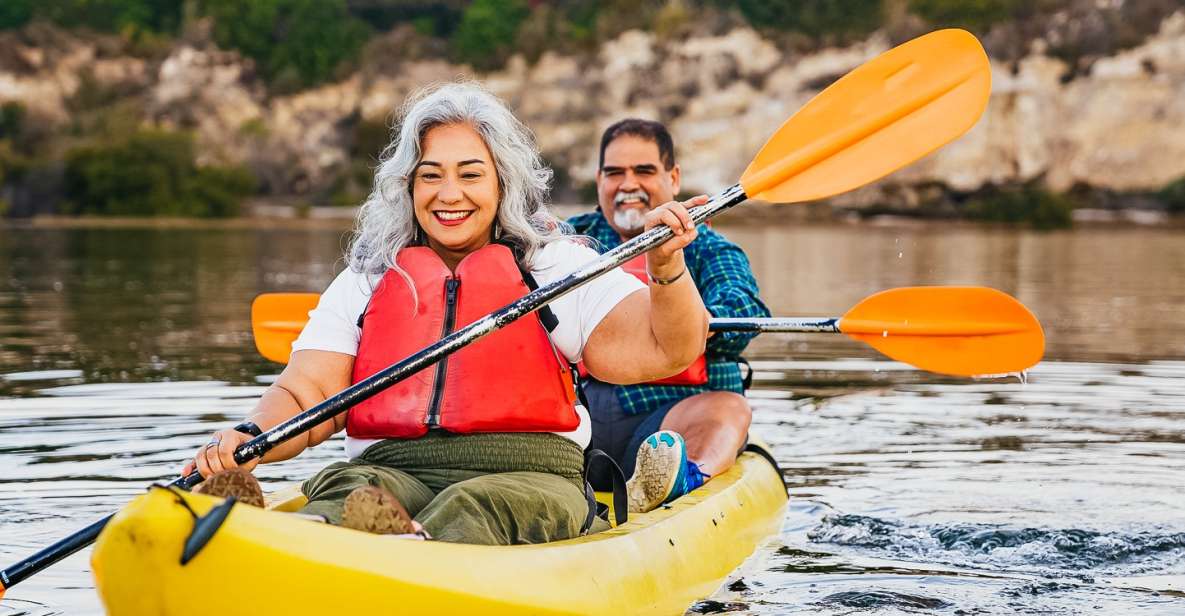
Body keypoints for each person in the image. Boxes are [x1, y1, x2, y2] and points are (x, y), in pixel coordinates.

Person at [184, 83, 710, 545]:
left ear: (503, 182)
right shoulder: (369, 277)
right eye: (430, 176)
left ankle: (407, 550)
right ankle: (300, 539)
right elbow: (307, 393)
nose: (449, 194)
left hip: (526, 475)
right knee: (349, 492)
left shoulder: (556, 266)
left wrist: (665, 264)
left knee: (475, 506)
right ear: (408, 186)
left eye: (470, 175)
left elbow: (666, 348)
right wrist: (250, 435)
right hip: (391, 468)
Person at [567, 119, 769, 513]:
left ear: (673, 179)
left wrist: (687, 321)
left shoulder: (709, 249)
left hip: (670, 418)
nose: (628, 184)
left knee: (730, 408)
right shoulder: (570, 241)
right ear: (598, 180)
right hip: (580, 423)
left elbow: (743, 308)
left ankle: (689, 475)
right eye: (614, 173)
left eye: (644, 171)